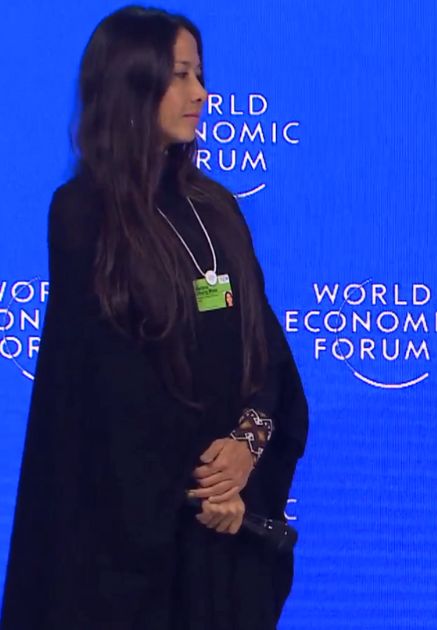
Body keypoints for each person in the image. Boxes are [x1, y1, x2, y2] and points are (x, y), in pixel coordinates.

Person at [1, 6, 307, 629]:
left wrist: (248, 444)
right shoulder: (84, 214)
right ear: (132, 83)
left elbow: (265, 350)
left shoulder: (216, 207)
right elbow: (109, 391)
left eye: (200, 74)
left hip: (224, 539)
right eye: (181, 76)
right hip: (132, 549)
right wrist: (205, 488)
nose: (201, 93)